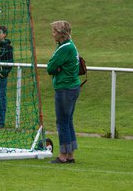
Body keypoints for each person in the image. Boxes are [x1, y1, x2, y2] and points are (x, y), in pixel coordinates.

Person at [47, 20, 81, 163]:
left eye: (55, 31)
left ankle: (63, 156)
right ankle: (70, 154)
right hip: (71, 87)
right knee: (68, 121)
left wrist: (56, 68)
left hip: (65, 88)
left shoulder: (65, 48)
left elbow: (50, 67)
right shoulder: (68, 46)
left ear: (62, 34)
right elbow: (54, 66)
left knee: (62, 122)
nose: (52, 34)